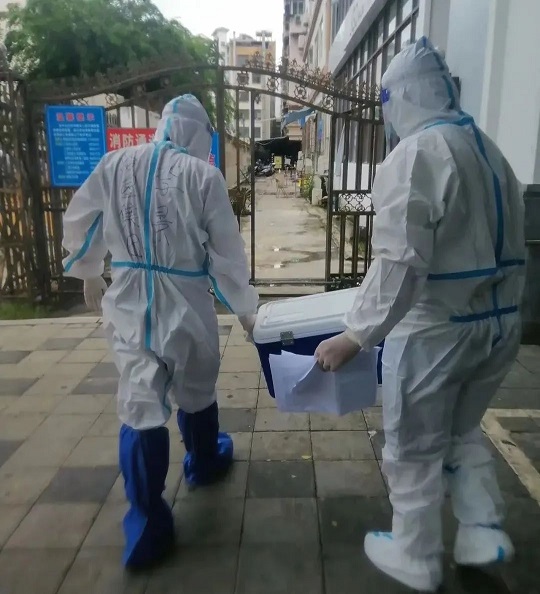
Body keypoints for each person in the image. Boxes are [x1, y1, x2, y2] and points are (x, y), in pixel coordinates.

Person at [315, 37, 525, 592]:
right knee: (462, 430)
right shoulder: (489, 151)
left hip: (436, 332)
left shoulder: (416, 155)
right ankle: (482, 530)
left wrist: (355, 336)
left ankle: (415, 554)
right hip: (498, 325)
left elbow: (400, 262)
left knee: (412, 447)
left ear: (400, 98)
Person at [62, 94, 258, 568]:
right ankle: (204, 462)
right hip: (186, 302)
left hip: (130, 301)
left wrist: (88, 270)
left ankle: (146, 526)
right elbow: (225, 257)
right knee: (196, 384)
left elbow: (83, 219)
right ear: (198, 134)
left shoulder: (114, 164)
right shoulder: (203, 177)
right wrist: (247, 312)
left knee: (140, 402)